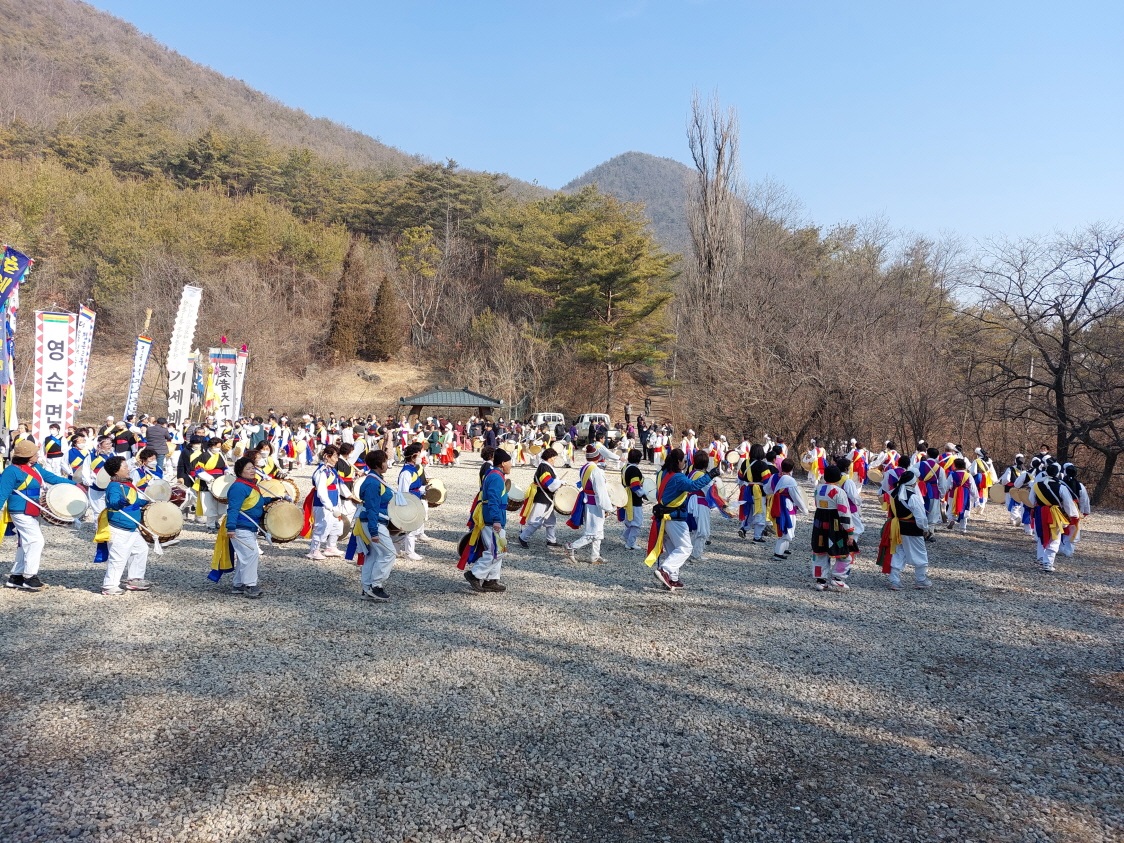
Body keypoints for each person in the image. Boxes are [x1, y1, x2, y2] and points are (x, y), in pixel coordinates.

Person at [1, 440, 77, 591]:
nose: (38, 455)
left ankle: (16, 576)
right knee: (36, 541)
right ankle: (30, 577)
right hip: (19, 510)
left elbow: (53, 478)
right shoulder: (11, 471)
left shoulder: (36, 468)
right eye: (35, 453)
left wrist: (75, 485)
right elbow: (2, 493)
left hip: (33, 509)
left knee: (25, 543)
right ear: (27, 456)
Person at [645, 448, 719, 590]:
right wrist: (710, 475)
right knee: (686, 547)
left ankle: (672, 578)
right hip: (675, 516)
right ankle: (665, 570)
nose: (685, 463)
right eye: (684, 461)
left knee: (673, 548)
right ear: (678, 461)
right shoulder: (678, 477)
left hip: (662, 516)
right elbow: (693, 486)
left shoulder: (661, 473)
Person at [222, 455, 277, 598]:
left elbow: (256, 501)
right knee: (251, 554)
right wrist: (231, 527)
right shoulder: (239, 487)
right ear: (240, 471)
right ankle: (250, 585)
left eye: (253, 468)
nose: (252, 471)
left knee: (244, 556)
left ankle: (238, 584)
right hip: (240, 527)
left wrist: (272, 499)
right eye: (248, 469)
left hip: (248, 527)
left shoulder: (249, 485)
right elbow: (233, 508)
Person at [98, 456, 152, 596]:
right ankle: (109, 586)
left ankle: (134, 579)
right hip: (119, 528)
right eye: (125, 467)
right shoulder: (114, 486)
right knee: (118, 558)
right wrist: (120, 502)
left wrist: (145, 503)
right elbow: (113, 502)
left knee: (141, 550)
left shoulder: (126, 483)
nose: (128, 469)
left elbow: (134, 500)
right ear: (116, 471)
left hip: (131, 528)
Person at [464, 448, 510, 593]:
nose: (511, 465)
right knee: (497, 550)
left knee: (498, 549)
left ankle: (491, 580)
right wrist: (496, 519)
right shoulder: (496, 477)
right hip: (492, 519)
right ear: (503, 463)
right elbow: (493, 500)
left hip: (492, 517)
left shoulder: (495, 474)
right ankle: (474, 574)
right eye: (509, 462)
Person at [354, 449, 395, 602]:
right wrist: (374, 532)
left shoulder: (375, 479)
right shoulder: (372, 483)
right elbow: (372, 508)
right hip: (374, 522)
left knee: (373, 555)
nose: (386, 464)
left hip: (372, 521)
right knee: (389, 553)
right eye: (384, 461)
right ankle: (375, 585)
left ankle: (366, 588)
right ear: (378, 464)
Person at [883, 470, 933, 590]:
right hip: (912, 529)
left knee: (898, 552)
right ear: (913, 483)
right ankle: (921, 579)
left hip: (897, 528)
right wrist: (925, 528)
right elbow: (921, 517)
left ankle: (895, 580)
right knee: (919, 553)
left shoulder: (894, 494)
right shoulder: (913, 497)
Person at [565, 444, 613, 564]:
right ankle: (571, 546)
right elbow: (600, 491)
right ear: (597, 457)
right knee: (592, 532)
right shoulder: (596, 471)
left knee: (598, 531)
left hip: (588, 500)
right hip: (595, 503)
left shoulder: (585, 467)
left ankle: (595, 556)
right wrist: (608, 507)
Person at [810, 466, 856, 592]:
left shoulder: (818, 489)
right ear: (839, 478)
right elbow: (844, 512)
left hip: (819, 524)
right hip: (835, 524)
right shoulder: (838, 491)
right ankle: (838, 577)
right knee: (844, 551)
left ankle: (820, 581)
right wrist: (850, 531)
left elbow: (817, 504)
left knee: (820, 552)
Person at [518, 447, 563, 549]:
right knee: (536, 521)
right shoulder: (544, 467)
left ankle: (551, 540)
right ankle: (523, 537)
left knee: (551, 520)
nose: (555, 460)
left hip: (547, 498)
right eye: (554, 458)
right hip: (542, 498)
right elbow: (549, 484)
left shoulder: (545, 466)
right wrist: (560, 482)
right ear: (550, 457)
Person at [305, 445, 345, 560]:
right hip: (323, 505)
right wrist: (329, 506)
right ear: (327, 456)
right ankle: (314, 550)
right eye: (335, 457)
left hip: (334, 503)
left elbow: (337, 488)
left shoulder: (331, 470)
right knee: (322, 526)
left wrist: (337, 504)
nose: (337, 460)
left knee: (337, 525)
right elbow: (321, 491)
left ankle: (331, 547)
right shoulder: (321, 472)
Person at [765, 459, 808, 560]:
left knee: (784, 527)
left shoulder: (774, 476)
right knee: (787, 529)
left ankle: (784, 548)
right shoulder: (790, 480)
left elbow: (767, 489)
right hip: (786, 506)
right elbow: (796, 497)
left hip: (776, 504)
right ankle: (778, 553)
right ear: (792, 468)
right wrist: (804, 509)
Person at [393, 444, 426, 561]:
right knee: (410, 529)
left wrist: (425, 490)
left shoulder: (413, 469)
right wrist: (406, 506)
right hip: (409, 502)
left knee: (407, 529)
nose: (420, 457)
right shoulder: (406, 472)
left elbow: (415, 487)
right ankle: (409, 552)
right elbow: (403, 491)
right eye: (419, 455)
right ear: (413, 456)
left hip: (414, 500)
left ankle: (396, 550)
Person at [190, 437, 227, 529]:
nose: (218, 448)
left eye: (219, 447)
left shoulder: (221, 455)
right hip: (206, 482)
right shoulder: (203, 456)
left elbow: (225, 467)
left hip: (220, 482)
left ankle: (216, 520)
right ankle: (210, 525)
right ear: (211, 446)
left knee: (221, 504)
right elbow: (198, 469)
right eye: (217, 446)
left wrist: (227, 472)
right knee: (209, 504)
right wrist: (209, 479)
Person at [738, 444, 773, 542]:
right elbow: (767, 480)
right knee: (759, 512)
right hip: (759, 492)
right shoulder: (763, 465)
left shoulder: (745, 463)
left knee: (748, 511)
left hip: (747, 491)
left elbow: (740, 476)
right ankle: (757, 536)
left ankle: (744, 528)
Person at [618, 448, 646, 551]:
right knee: (637, 521)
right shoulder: (634, 470)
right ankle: (630, 543)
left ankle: (625, 536)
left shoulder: (625, 467)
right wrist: (644, 493)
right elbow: (635, 487)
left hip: (626, 495)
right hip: (634, 498)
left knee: (629, 519)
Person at [943, 458, 979, 533]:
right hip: (965, 495)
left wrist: (943, 493)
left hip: (953, 495)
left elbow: (947, 486)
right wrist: (976, 497)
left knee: (951, 508)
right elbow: (973, 488)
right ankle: (963, 528)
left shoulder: (952, 475)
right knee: (964, 510)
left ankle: (952, 520)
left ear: (955, 466)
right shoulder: (968, 475)